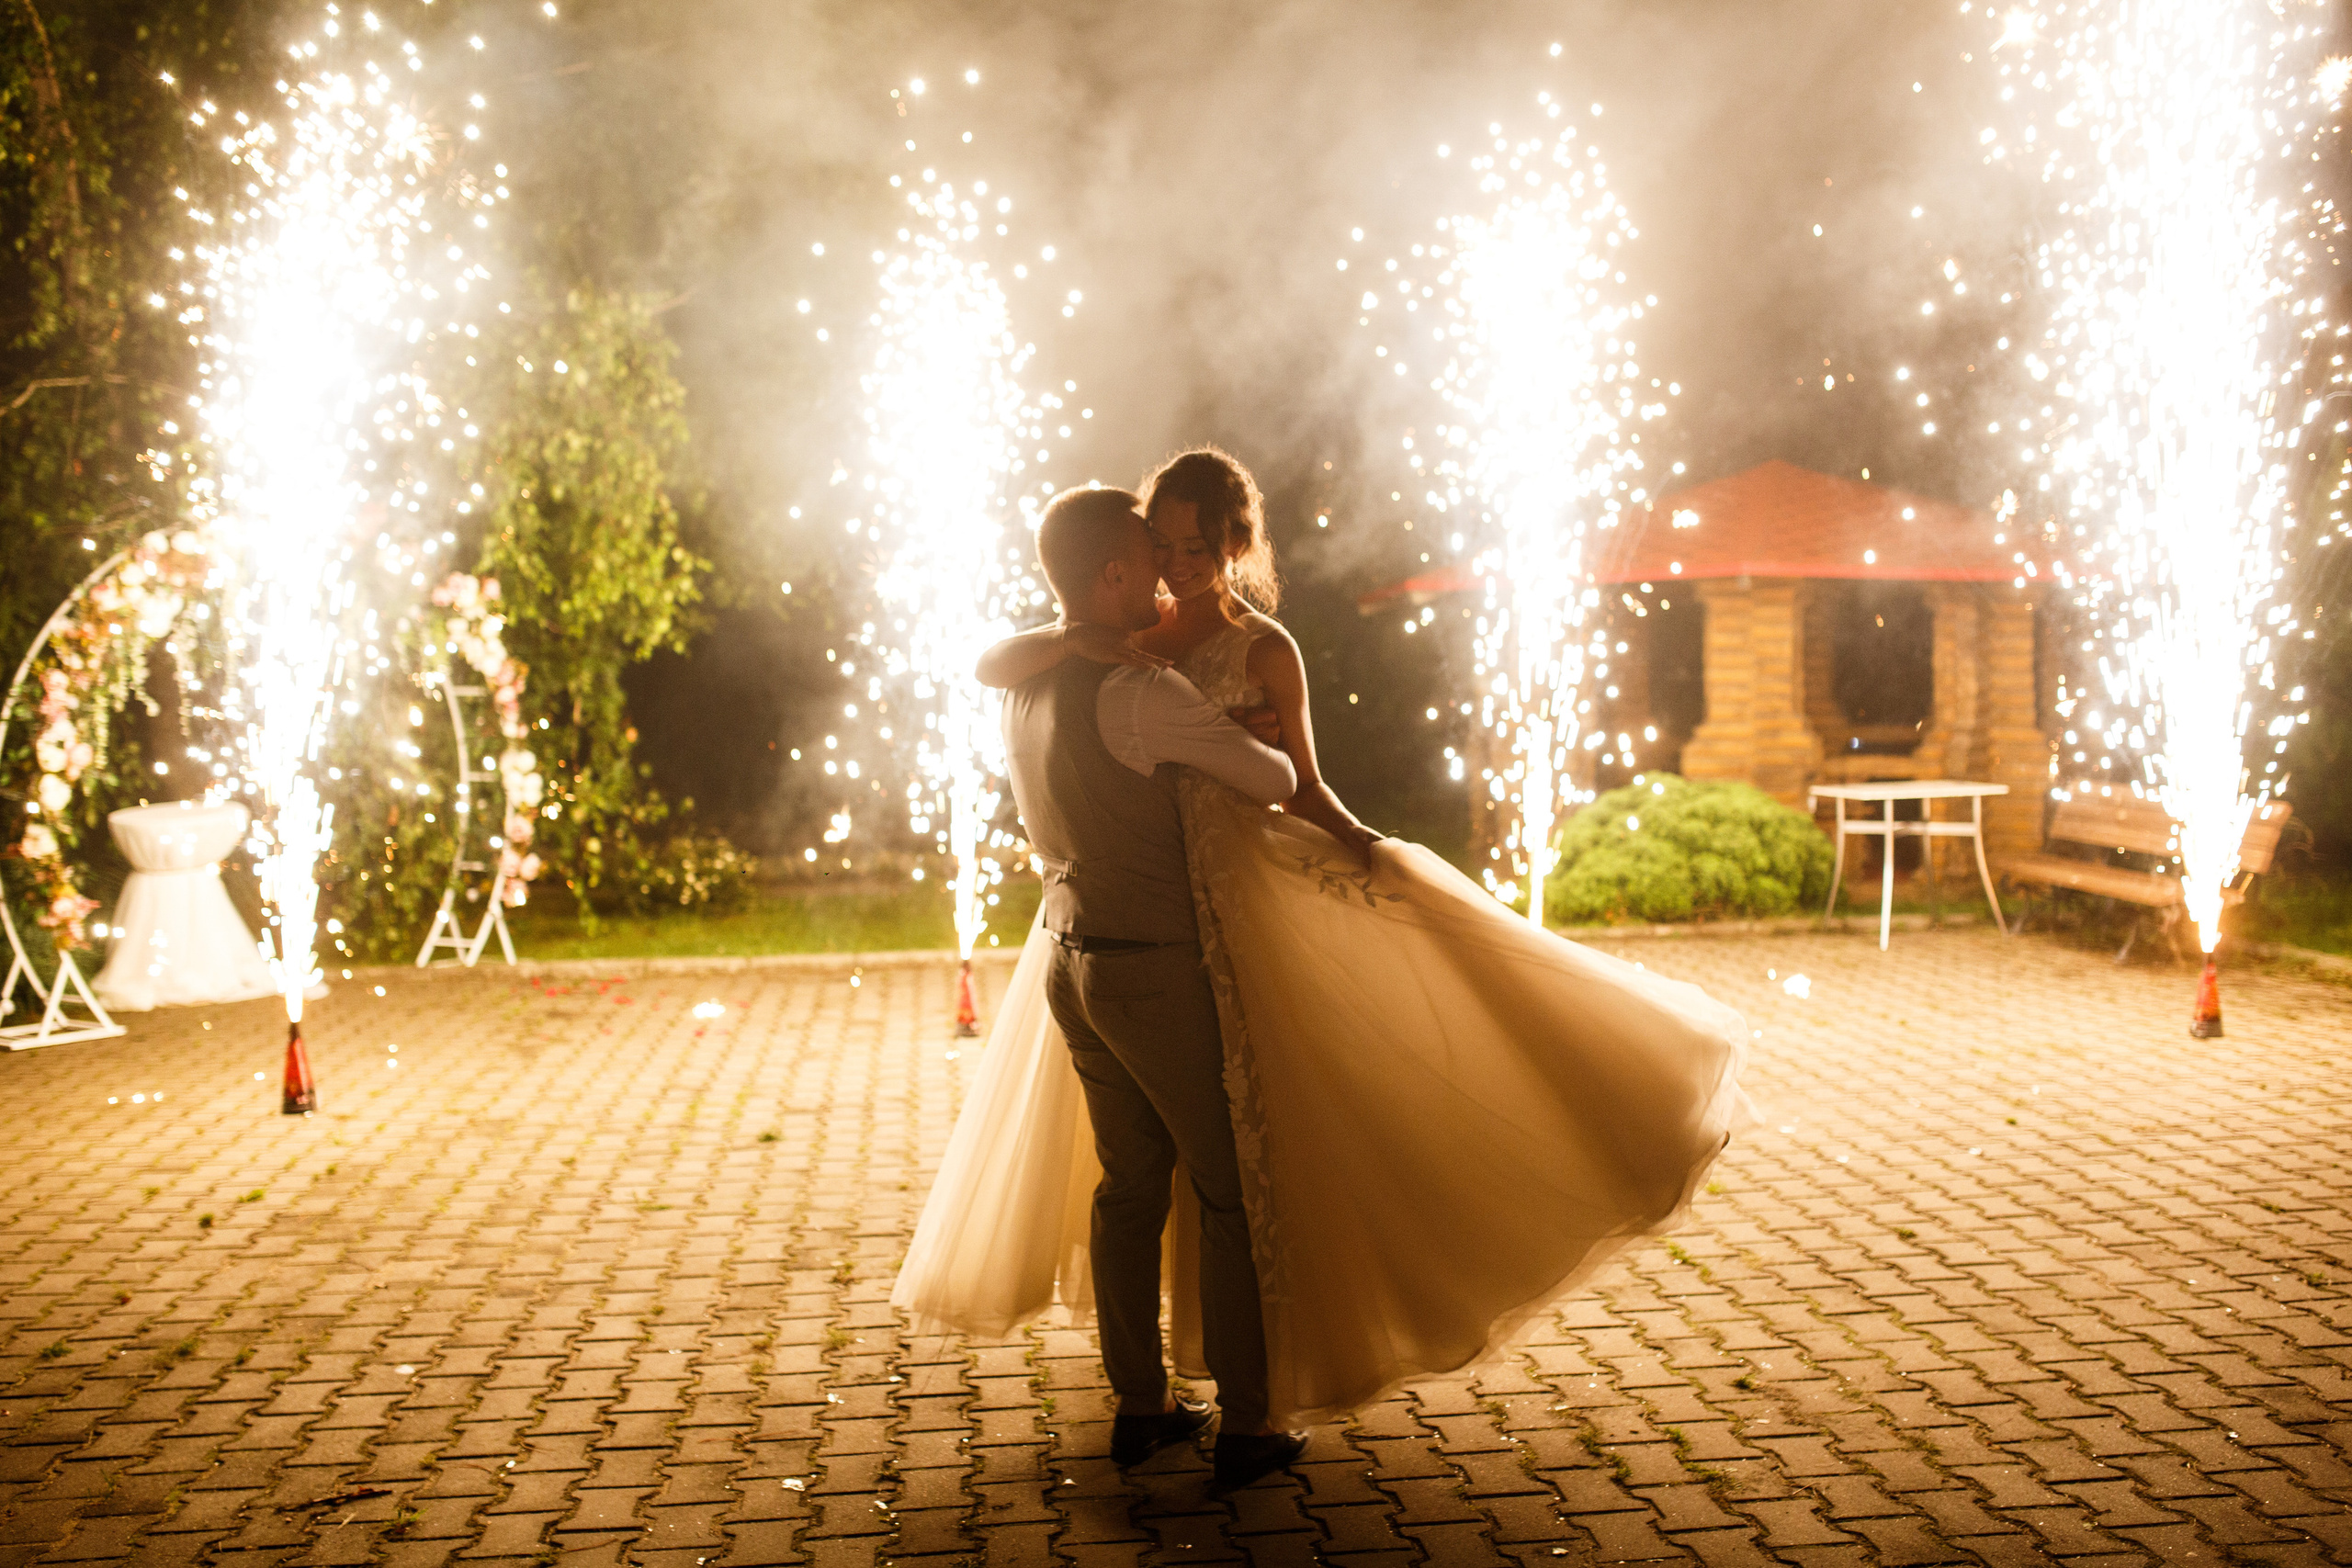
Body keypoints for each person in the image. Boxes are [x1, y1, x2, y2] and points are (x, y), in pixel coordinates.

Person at [893, 448, 1752, 1489]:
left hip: (1089, 941)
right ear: (1118, 569)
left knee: (1131, 1182)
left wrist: (1358, 841)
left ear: (1232, 545)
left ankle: (1143, 1403)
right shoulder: (1129, 670)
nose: (1169, 565)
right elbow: (1258, 771)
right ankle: (1248, 1421)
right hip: (1159, 947)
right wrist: (1237, 743)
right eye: (1152, 546)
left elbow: (1297, 783)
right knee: (1229, 1183)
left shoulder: (1093, 667)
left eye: (1189, 545)